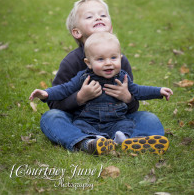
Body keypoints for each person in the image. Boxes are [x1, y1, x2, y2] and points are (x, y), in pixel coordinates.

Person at [30, 32, 173, 155]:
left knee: (150, 118)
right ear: (88, 63)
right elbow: (64, 89)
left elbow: (138, 90)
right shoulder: (83, 77)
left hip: (117, 122)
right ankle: (88, 143)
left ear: (120, 58)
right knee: (51, 119)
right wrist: (46, 94)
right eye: (100, 59)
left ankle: (129, 142)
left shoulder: (122, 77)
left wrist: (158, 91)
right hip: (87, 123)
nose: (108, 63)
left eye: (113, 58)